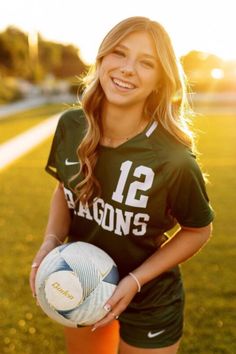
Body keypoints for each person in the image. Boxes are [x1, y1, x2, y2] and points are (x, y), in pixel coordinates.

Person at [30, 16, 214, 354]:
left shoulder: (173, 158)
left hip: (150, 296)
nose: (128, 69)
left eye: (146, 63)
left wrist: (135, 280)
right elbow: (64, 190)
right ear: (101, 58)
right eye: (119, 53)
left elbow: (198, 229)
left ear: (161, 80)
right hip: (82, 282)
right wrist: (50, 243)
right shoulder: (72, 125)